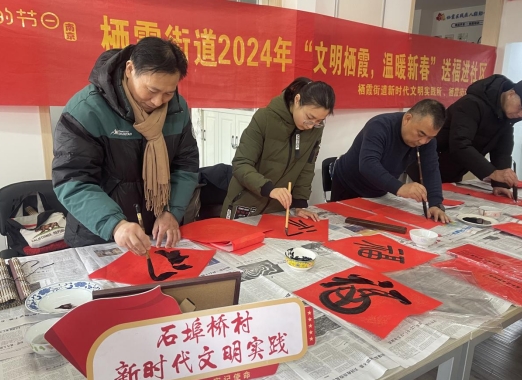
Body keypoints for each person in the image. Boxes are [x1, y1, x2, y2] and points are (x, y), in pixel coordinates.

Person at [52, 37, 199, 252]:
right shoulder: (87, 111)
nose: (158, 102)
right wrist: (115, 224)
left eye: (168, 93)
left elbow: (186, 166)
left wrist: (171, 211)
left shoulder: (178, 109)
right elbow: (72, 179)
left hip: (155, 233)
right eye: (152, 90)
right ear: (130, 69)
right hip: (98, 233)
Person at [221, 77, 335, 221]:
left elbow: (306, 167)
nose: (311, 125)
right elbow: (241, 164)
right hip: (245, 203)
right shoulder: (265, 118)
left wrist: (299, 204)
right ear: (297, 100)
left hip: (277, 209)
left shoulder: (315, 130)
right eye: (309, 117)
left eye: (319, 121)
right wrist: (269, 189)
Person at [331, 99, 451, 223]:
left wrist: (435, 203)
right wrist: (400, 187)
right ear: (407, 119)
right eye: (420, 134)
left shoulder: (426, 141)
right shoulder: (379, 126)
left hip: (379, 192)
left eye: (430, 137)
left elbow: (431, 169)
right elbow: (368, 164)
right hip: (349, 187)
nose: (423, 141)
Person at [426, 74, 522, 197]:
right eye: (520, 107)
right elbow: (459, 143)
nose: (520, 115)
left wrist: (500, 183)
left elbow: (502, 153)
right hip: (429, 163)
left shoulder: (507, 118)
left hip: (453, 172)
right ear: (511, 94)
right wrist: (492, 173)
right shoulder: (471, 103)